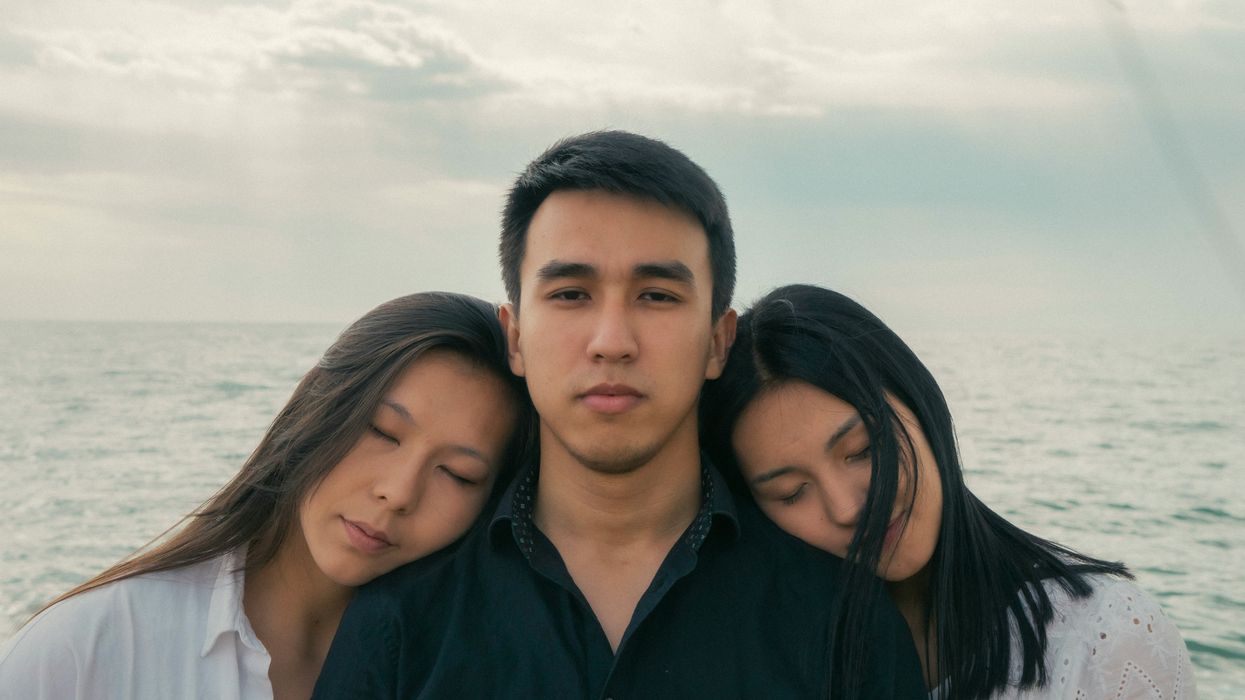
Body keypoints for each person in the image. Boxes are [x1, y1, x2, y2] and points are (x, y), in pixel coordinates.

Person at [314, 132, 925, 698]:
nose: (611, 342)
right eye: (570, 294)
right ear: (516, 337)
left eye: (657, 296)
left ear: (718, 341)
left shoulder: (844, 621)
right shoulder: (401, 618)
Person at [0, 291, 528, 699]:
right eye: (382, 432)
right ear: (319, 406)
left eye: (457, 474)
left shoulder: (478, 671)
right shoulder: (91, 645)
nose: (398, 492)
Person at [701, 283, 1197, 699]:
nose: (848, 507)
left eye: (863, 450)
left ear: (919, 401)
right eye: (791, 493)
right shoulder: (758, 658)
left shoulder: (1104, 639)